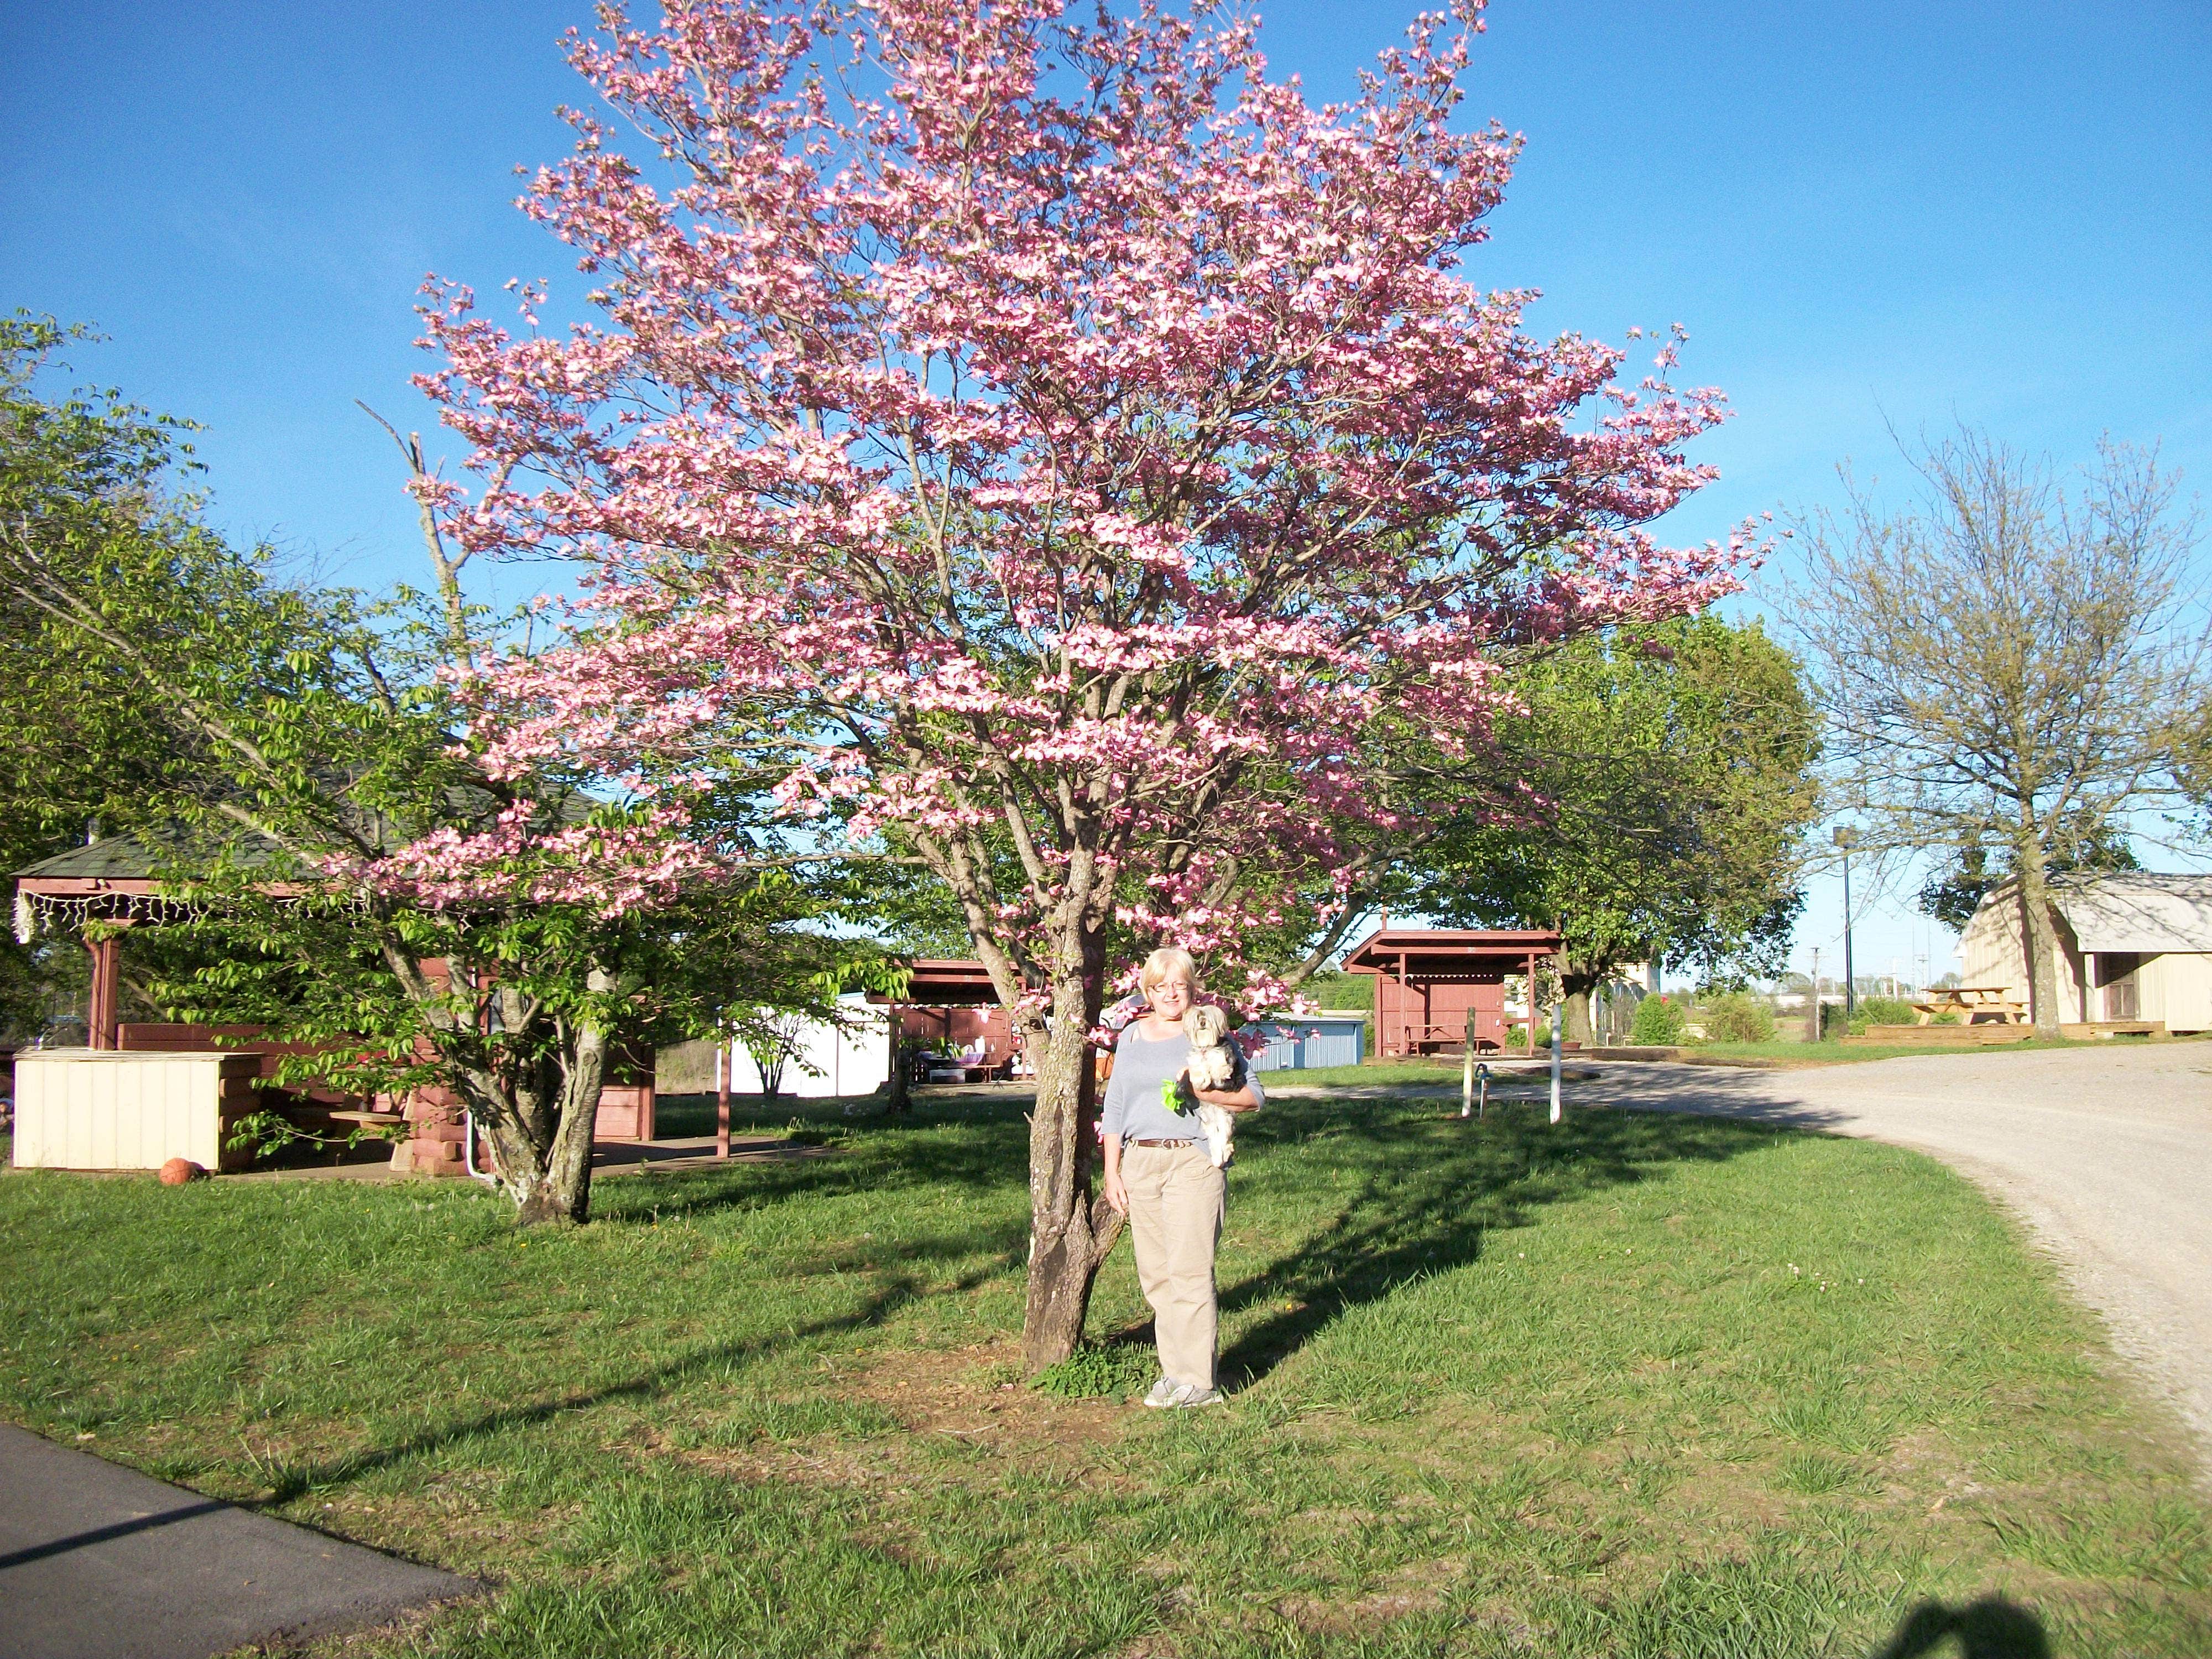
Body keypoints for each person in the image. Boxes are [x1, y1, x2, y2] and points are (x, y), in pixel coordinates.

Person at [1100, 947, 1263, 1408]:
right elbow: (1115, 1105)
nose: (1171, 994)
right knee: (1156, 1275)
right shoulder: (1131, 1036)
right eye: (1160, 986)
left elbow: (1255, 1098)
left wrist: (1202, 1090)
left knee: (1189, 1271)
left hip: (1193, 1161)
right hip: (1140, 1162)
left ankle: (1199, 1382)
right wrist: (1112, 1169)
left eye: (1180, 985)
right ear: (1148, 992)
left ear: (1193, 988)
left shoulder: (1209, 1032)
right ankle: (1174, 1374)